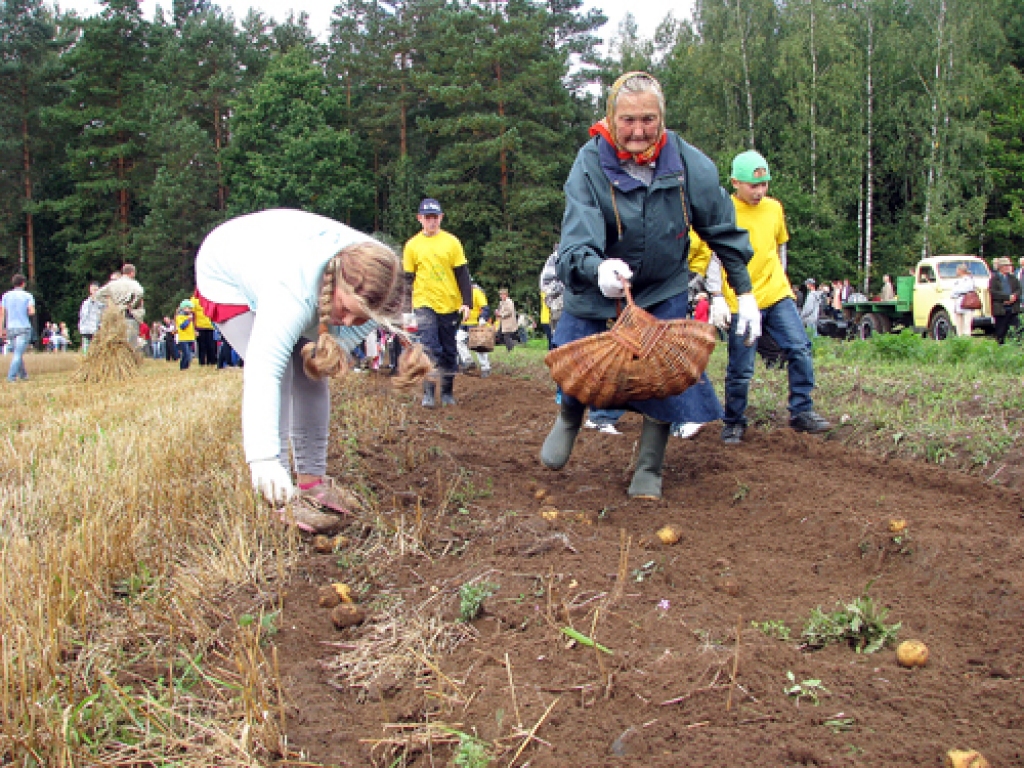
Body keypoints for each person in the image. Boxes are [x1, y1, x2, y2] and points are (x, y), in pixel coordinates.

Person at [541, 71, 758, 500]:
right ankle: (569, 416)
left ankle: (649, 467)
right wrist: (595, 267)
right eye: (628, 120)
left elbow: (722, 229)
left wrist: (745, 292)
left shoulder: (688, 164)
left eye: (648, 119)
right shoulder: (589, 162)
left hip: (660, 287)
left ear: (662, 118)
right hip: (595, 286)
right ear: (611, 117)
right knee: (579, 360)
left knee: (665, 371)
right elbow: (577, 236)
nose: (638, 131)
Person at [195, 208, 428, 531]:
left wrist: (339, 337)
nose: (346, 322)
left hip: (286, 254)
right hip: (227, 269)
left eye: (358, 318)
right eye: (344, 310)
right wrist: (262, 458)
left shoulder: (381, 279)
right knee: (284, 374)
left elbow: (334, 346)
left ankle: (311, 483)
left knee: (310, 374)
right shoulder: (290, 292)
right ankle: (278, 496)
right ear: (335, 284)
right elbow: (264, 370)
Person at [694, 150, 830, 445]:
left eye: (764, 184)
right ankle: (733, 422)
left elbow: (779, 248)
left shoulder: (774, 209)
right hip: (739, 298)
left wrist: (783, 280)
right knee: (741, 367)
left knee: (799, 348)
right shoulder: (723, 210)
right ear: (735, 182)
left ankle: (801, 411)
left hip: (775, 294)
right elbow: (714, 256)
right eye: (753, 185)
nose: (759, 191)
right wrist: (716, 295)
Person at [403, 198, 471, 407]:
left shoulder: (452, 242)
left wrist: (467, 302)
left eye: (435, 217)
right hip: (424, 303)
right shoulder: (412, 246)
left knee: (449, 350)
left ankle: (448, 392)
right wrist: (406, 309)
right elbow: (407, 279)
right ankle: (429, 393)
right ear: (420, 219)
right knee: (429, 348)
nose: (432, 221)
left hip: (449, 304)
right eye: (427, 217)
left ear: (441, 217)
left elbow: (462, 274)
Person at [96, 263, 145, 345]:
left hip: (116, 315)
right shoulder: (133, 283)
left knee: (117, 342)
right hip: (129, 314)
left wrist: (110, 303)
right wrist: (132, 304)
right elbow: (140, 293)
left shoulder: (113, 284)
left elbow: (98, 295)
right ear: (132, 273)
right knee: (130, 344)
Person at [1, 274, 36, 382]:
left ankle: (23, 375)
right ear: (23, 283)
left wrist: (1, 328)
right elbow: (32, 311)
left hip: (10, 327)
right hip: (23, 327)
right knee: (18, 353)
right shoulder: (27, 296)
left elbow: (2, 313)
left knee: (17, 352)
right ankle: (11, 377)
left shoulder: (6, 296)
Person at [456, 282, 492, 377]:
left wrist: (482, 318)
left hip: (476, 322)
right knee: (458, 340)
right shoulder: (461, 294)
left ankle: (485, 368)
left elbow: (485, 307)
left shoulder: (476, 292)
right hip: (465, 322)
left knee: (478, 346)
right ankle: (468, 361)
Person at [989, 257, 1021, 344]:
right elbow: (993, 292)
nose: (1008, 267)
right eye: (1006, 266)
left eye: (1009, 265)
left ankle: (1016, 347)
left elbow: (1019, 289)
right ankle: (1001, 349)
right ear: (1000, 267)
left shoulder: (1013, 278)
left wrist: (1014, 297)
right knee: (1001, 331)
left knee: (1017, 329)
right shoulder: (994, 279)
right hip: (1001, 309)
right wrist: (1007, 297)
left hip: (1013, 308)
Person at [950, 263, 977, 338]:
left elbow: (967, 289)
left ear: (961, 270)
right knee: (958, 324)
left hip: (967, 303)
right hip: (958, 303)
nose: (956, 271)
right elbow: (953, 291)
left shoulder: (969, 279)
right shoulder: (958, 280)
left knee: (967, 324)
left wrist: (956, 291)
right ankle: (959, 338)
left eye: (957, 270)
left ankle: (966, 339)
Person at [193, 292, 217, 365]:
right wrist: (194, 328)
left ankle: (211, 361)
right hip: (201, 326)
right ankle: (203, 362)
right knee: (202, 346)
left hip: (210, 326)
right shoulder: (194, 300)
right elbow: (192, 315)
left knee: (211, 345)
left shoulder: (210, 297)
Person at [78, 282, 103, 354]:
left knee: (97, 352)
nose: (94, 291)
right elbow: (82, 316)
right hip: (86, 330)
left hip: (97, 331)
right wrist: (81, 328)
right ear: (90, 290)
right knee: (86, 352)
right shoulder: (85, 303)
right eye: (93, 290)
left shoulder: (102, 304)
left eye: (96, 290)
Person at [175, 299, 197, 369]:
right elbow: (182, 326)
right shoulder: (179, 317)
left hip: (190, 338)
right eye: (189, 308)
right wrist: (188, 320)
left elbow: (191, 327)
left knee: (190, 355)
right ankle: (183, 367)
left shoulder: (190, 316)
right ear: (184, 308)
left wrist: (194, 332)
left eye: (191, 308)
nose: (190, 310)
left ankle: (187, 366)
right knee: (186, 354)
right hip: (184, 338)